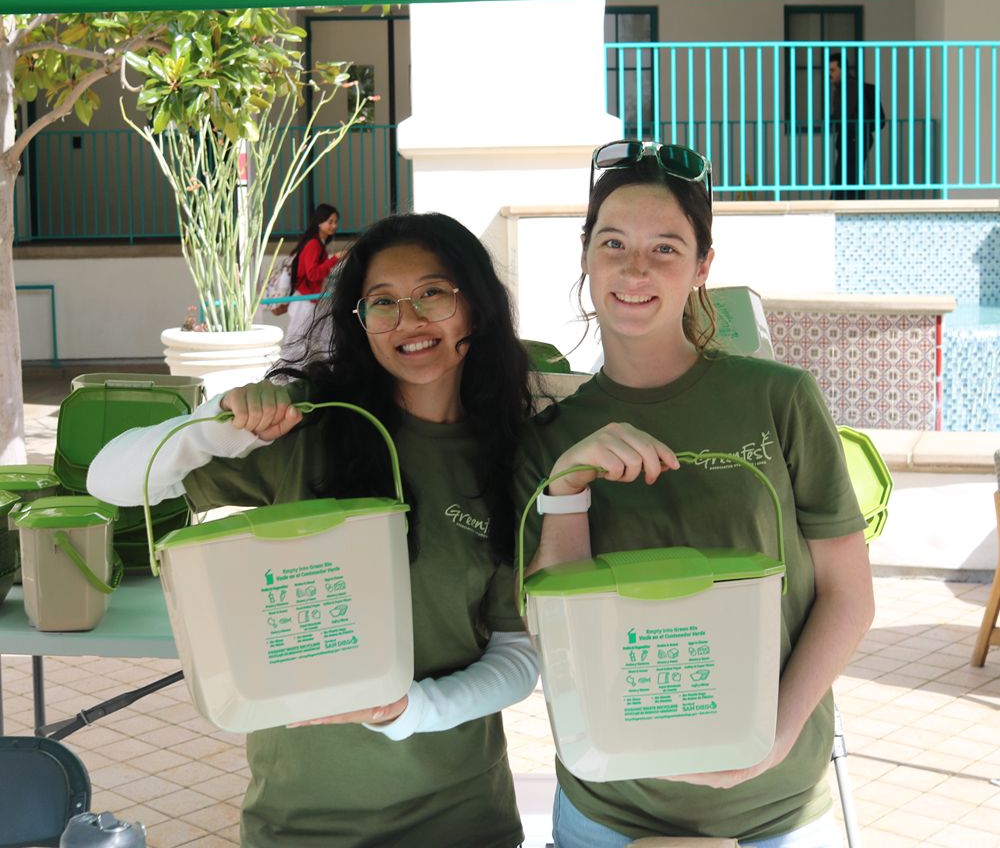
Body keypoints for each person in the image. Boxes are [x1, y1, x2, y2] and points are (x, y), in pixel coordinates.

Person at [88, 212, 539, 848]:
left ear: (475, 307)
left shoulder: (510, 456)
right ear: (361, 322)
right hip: (299, 819)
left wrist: (410, 711)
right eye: (382, 302)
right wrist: (217, 423)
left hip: (461, 819)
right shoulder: (312, 429)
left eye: (432, 293)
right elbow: (108, 480)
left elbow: (518, 656)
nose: (408, 319)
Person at [519, 140, 875, 847]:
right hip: (608, 809)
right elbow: (546, 630)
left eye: (665, 248)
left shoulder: (779, 399)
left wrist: (772, 738)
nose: (634, 268)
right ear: (586, 255)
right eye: (613, 242)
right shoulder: (550, 437)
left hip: (776, 805)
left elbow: (849, 595)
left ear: (702, 266)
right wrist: (567, 488)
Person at [284, 203, 343, 348]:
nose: (334, 226)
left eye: (335, 222)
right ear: (319, 221)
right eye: (330, 222)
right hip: (305, 301)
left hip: (311, 300)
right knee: (297, 345)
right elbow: (313, 275)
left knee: (319, 341)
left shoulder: (318, 243)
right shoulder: (314, 244)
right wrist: (335, 259)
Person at [828, 54, 885, 200]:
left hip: (853, 139)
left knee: (847, 176)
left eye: (833, 70)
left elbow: (843, 115)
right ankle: (850, 207)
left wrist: (830, 120)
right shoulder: (848, 86)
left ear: (843, 69)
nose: (830, 74)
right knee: (852, 175)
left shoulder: (848, 87)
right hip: (857, 138)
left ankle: (844, 208)